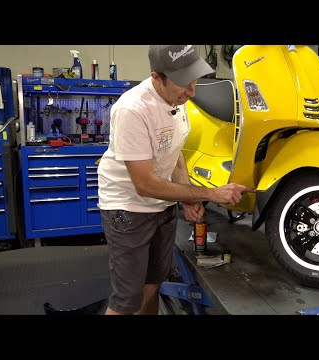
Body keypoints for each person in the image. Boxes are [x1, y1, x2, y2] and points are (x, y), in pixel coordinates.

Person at [97, 45, 253, 315]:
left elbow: (175, 150)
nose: (191, 92)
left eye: (193, 81)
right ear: (157, 77)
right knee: (126, 301)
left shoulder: (177, 101)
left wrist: (186, 197)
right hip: (128, 209)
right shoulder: (132, 110)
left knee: (152, 286)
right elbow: (144, 184)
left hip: (162, 206)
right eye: (183, 84)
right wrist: (210, 193)